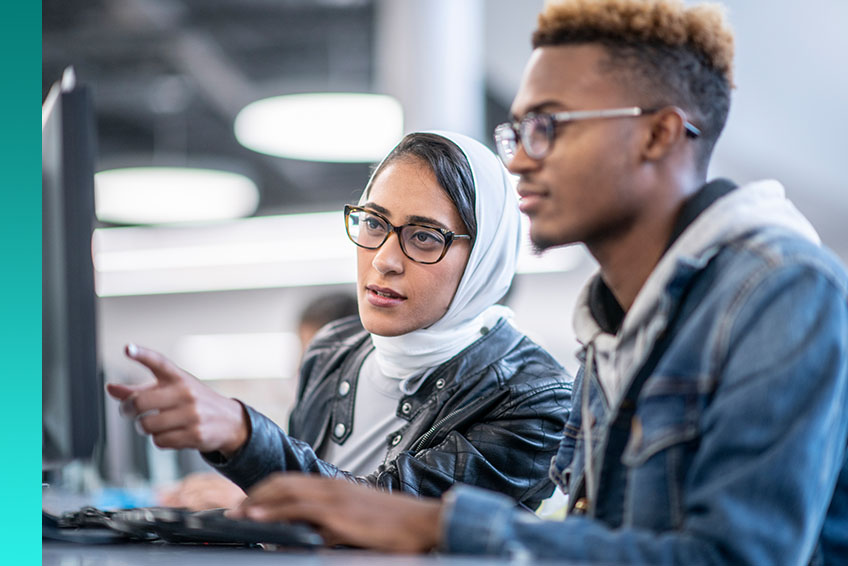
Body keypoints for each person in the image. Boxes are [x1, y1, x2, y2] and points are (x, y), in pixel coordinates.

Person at [226, 1, 848, 564]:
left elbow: (736, 559)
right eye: (517, 130)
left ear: (659, 133)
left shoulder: (782, 290)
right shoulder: (613, 323)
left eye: (550, 125)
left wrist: (438, 527)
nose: (521, 158)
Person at [107, 131, 572, 510]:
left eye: (425, 236)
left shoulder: (536, 399)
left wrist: (245, 436)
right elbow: (299, 526)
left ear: (484, 258)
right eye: (373, 223)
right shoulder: (334, 348)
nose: (385, 259)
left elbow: (395, 513)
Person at [157, 291, 359, 511]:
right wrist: (245, 487)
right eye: (306, 359)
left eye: (321, 363)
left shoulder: (370, 430)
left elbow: (350, 508)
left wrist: (250, 500)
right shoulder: (309, 420)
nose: (305, 371)